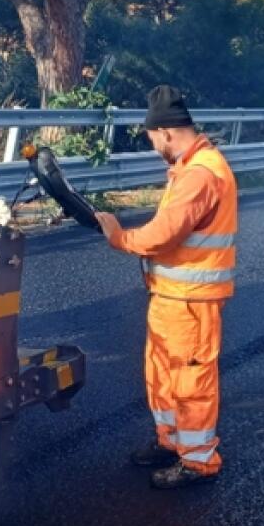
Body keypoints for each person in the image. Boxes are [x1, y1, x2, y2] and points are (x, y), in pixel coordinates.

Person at [95, 85, 237, 490]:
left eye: (154, 139)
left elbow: (162, 235)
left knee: (190, 381)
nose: (155, 146)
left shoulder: (200, 175)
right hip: (173, 298)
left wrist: (119, 237)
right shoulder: (192, 168)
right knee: (162, 375)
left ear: (167, 132)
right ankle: (171, 442)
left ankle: (197, 460)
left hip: (191, 302)